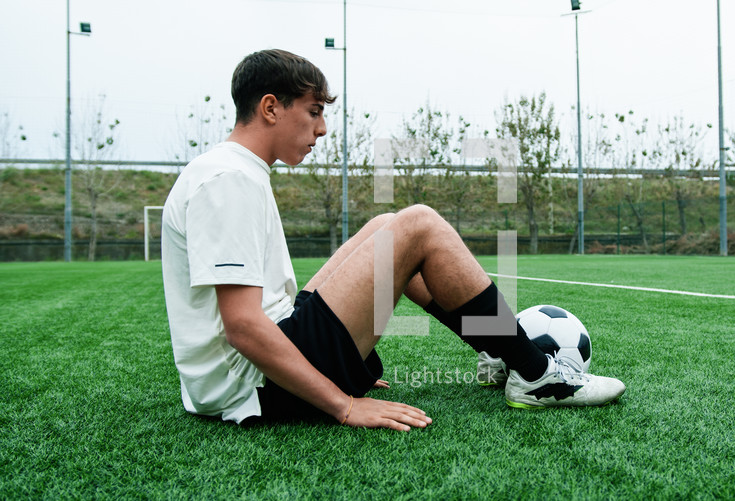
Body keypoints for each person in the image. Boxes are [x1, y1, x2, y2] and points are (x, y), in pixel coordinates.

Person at [161, 49, 625, 432]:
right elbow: (242, 325)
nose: (322, 129)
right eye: (314, 112)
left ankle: (499, 350)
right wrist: (341, 403)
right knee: (418, 224)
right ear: (270, 107)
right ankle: (537, 375)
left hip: (268, 357)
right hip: (252, 386)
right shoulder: (227, 180)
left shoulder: (233, 171)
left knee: (388, 225)